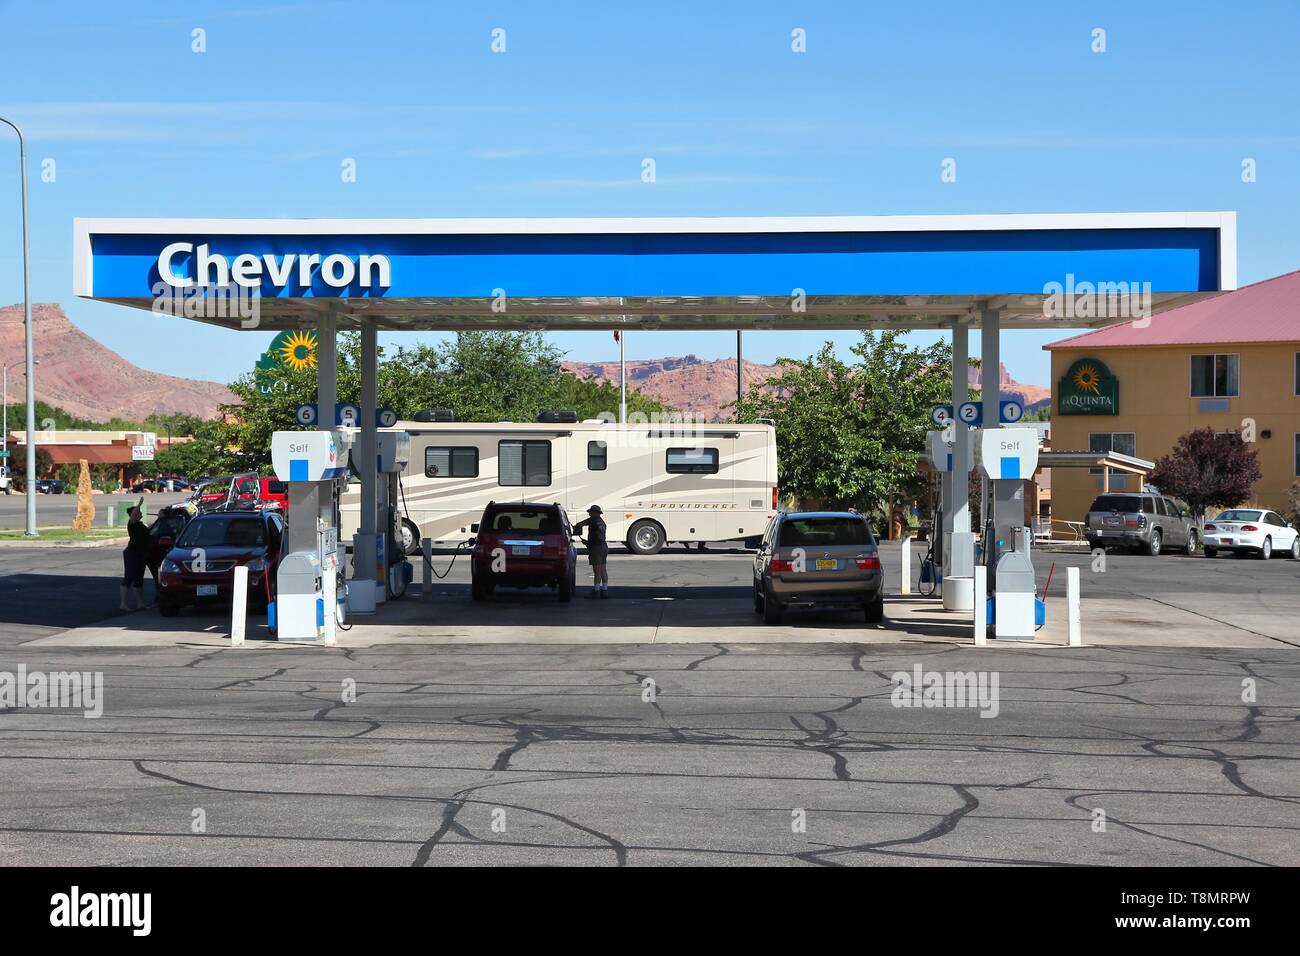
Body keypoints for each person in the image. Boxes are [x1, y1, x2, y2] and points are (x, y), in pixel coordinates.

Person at [572, 505, 609, 598]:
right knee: (603, 570)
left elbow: (581, 524)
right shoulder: (602, 522)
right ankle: (604, 591)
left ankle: (596, 592)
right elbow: (599, 536)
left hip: (596, 548)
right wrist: (587, 542)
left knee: (597, 571)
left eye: (591, 512)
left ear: (595, 512)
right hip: (604, 546)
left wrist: (575, 526)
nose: (589, 513)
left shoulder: (593, 519)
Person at [120, 503, 151, 611]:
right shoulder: (132, 523)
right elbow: (133, 515)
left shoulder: (141, 525)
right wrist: (140, 504)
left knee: (139, 579)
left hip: (141, 554)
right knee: (128, 577)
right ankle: (123, 604)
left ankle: (140, 603)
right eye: (139, 511)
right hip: (132, 553)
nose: (141, 512)